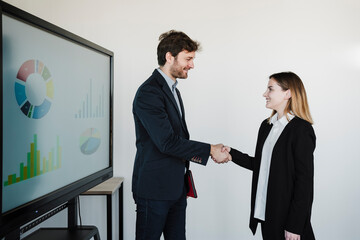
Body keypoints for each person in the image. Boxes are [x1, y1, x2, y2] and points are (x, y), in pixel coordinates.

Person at [132, 30, 231, 240]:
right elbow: (167, 142)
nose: (192, 65)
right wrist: (209, 150)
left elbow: (179, 138)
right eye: (188, 58)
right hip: (154, 191)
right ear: (169, 57)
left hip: (175, 189)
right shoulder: (149, 93)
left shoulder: (173, 90)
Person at [218, 72, 316, 240]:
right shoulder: (267, 126)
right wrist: (231, 154)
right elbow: (262, 165)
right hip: (267, 215)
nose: (265, 94)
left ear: (288, 93)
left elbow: (304, 182)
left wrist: (295, 225)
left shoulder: (301, 130)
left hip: (289, 221)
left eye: (270, 89)